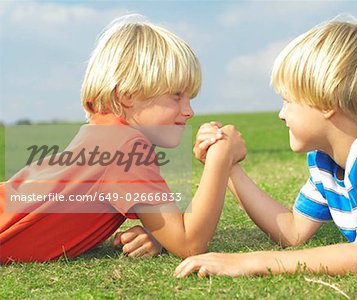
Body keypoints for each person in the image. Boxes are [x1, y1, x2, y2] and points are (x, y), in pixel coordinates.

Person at [174, 20, 357, 278]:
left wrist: (251, 261)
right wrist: (228, 165)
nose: (281, 115)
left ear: (328, 103)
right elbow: (293, 230)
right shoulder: (325, 161)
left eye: (287, 101)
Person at [0, 14, 245, 263]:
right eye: (176, 96)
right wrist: (221, 155)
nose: (189, 111)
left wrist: (160, 235)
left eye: (189, 98)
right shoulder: (125, 148)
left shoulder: (104, 136)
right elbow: (189, 244)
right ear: (127, 95)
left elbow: (175, 234)